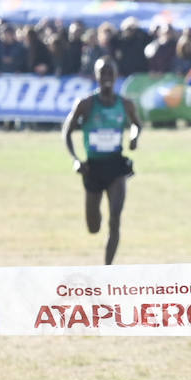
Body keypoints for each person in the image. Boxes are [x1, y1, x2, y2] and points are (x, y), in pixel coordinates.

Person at [62, 57, 141, 264]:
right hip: (92, 168)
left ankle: (107, 270)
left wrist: (134, 137)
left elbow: (137, 124)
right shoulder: (86, 104)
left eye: (110, 73)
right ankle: (95, 225)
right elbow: (67, 131)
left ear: (116, 76)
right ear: (96, 76)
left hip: (116, 166)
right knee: (93, 226)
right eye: (102, 73)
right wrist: (76, 160)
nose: (106, 77)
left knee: (115, 219)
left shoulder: (125, 103)